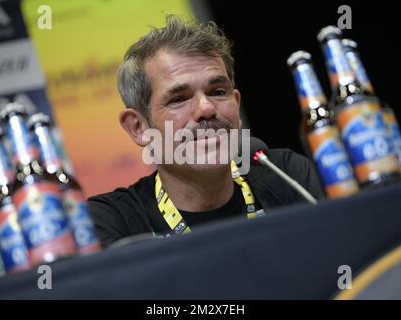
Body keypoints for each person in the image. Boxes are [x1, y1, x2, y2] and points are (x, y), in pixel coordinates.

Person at [88, 15, 324, 248]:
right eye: (179, 99)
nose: (206, 108)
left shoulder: (288, 176)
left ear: (237, 103)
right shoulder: (111, 223)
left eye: (218, 92)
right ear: (138, 127)